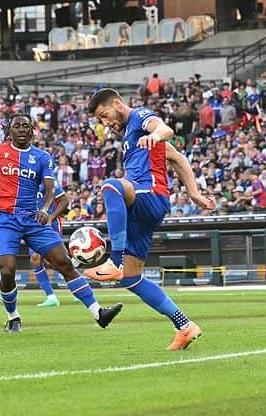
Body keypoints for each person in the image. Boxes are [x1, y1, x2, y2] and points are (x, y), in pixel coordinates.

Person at [0, 114, 122, 333]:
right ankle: (13, 316)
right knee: (7, 270)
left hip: (34, 220)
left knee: (64, 263)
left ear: (32, 131)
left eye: (26, 126)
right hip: (6, 219)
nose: (21, 130)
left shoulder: (42, 157)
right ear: (9, 130)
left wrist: (46, 210)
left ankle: (98, 313)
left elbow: (50, 189)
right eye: (17, 126)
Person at [84, 88, 215, 350]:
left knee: (110, 187)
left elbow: (164, 128)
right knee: (131, 278)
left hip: (150, 195)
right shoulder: (130, 137)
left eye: (104, 115)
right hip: (142, 208)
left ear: (117, 104)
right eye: (100, 120)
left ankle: (114, 261)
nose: (105, 123)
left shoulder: (140, 118)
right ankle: (185, 326)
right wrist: (194, 193)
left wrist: (155, 134)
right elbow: (177, 158)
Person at [28, 175, 70, 307]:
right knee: (35, 258)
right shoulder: (22, 182)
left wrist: (51, 218)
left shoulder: (49, 180)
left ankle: (77, 286)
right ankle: (51, 297)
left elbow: (65, 201)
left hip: (51, 224)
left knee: (55, 260)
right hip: (32, 226)